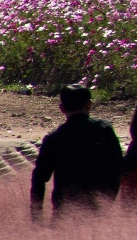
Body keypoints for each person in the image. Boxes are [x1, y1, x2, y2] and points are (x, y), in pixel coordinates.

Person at [29, 84, 124, 219]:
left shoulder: (53, 139)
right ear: (89, 105)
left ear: (62, 108)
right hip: (98, 210)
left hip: (64, 212)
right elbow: (118, 168)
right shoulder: (104, 130)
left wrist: (36, 217)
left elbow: (39, 179)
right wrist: (108, 201)